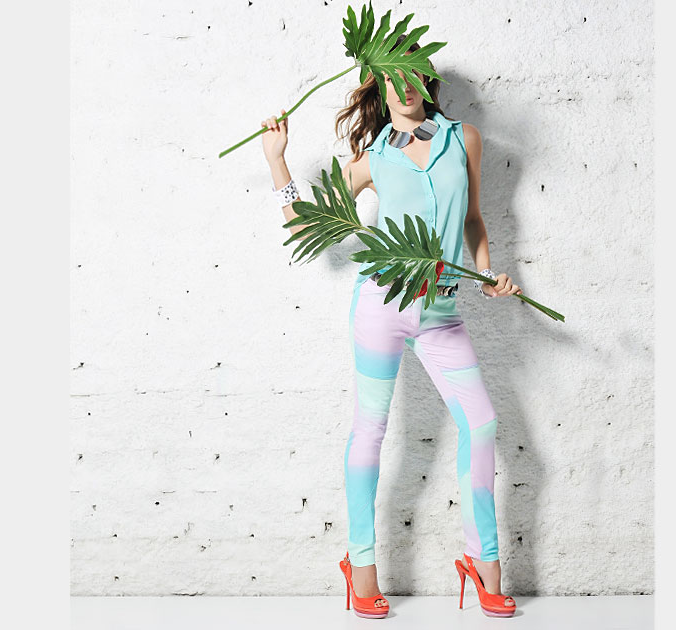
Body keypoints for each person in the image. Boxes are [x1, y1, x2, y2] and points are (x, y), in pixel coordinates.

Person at [261, 37, 519, 618]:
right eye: (392, 76)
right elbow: (307, 223)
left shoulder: (464, 139)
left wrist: (486, 275)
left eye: (413, 73)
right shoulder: (371, 159)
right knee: (371, 433)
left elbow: (473, 219)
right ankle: (361, 565)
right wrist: (277, 161)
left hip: (442, 313)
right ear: (378, 85)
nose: (405, 86)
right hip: (381, 306)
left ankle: (484, 563)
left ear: (426, 78)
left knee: (481, 423)